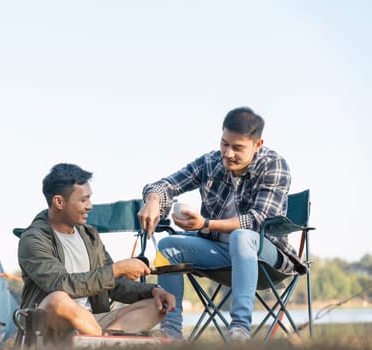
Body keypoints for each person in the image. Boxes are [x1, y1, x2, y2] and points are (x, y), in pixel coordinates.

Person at [138, 107, 302, 342]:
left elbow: (257, 220)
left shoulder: (274, 165)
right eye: (224, 143)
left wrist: (205, 224)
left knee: (241, 236)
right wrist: (154, 199)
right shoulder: (210, 162)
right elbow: (167, 184)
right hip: (220, 253)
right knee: (167, 246)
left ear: (257, 145)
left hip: (265, 258)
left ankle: (239, 329)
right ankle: (171, 333)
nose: (228, 153)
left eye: (237, 148)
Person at [17, 163, 175, 343]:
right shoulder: (34, 238)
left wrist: (153, 290)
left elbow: (113, 284)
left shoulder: (89, 236)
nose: (90, 206)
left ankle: (99, 343)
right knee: (58, 299)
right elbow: (60, 284)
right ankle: (104, 343)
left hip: (92, 323)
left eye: (89, 199)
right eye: (83, 200)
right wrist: (116, 269)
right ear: (59, 202)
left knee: (155, 306)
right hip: (48, 327)